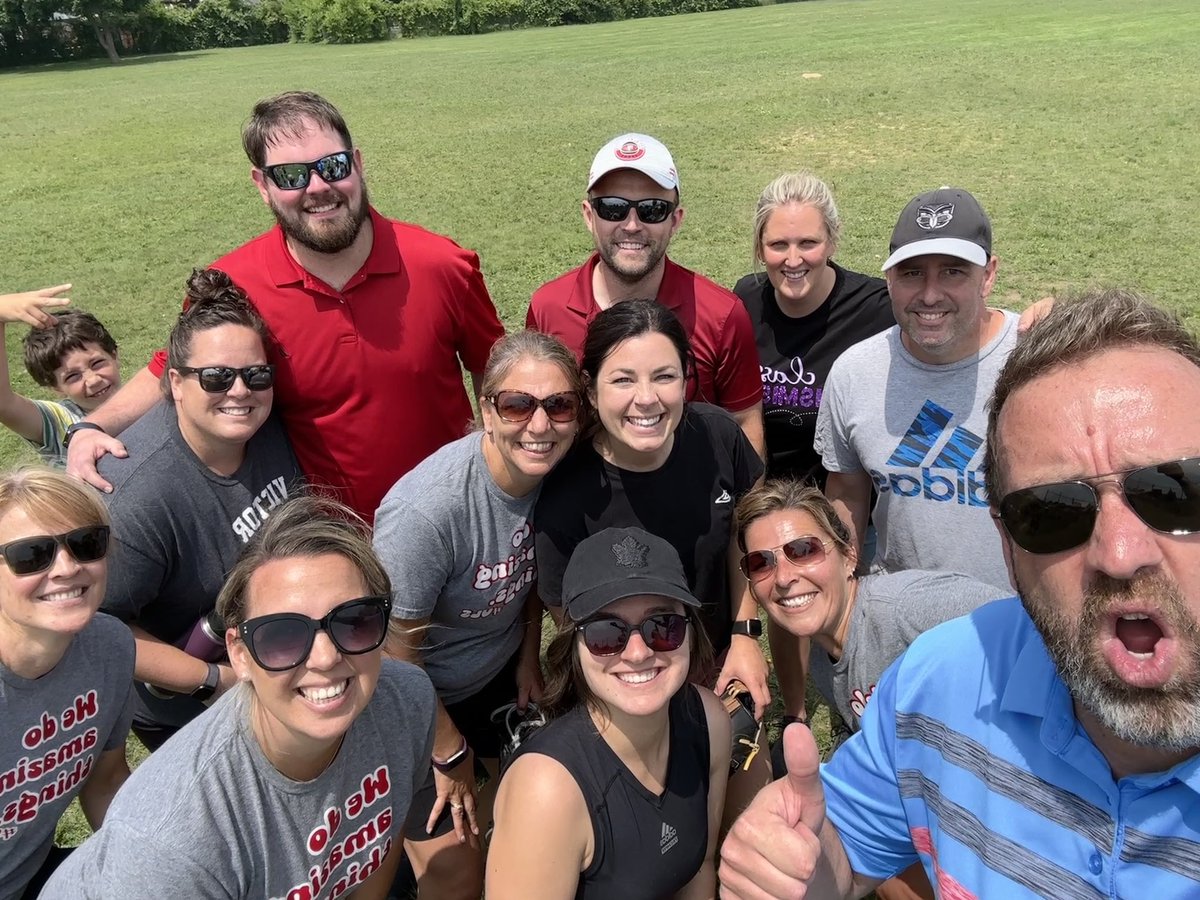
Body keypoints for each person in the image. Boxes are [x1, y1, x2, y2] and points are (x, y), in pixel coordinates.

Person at [720, 289, 1200, 899]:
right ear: (1007, 539)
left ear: (848, 553)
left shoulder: (928, 618)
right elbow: (841, 853)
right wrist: (799, 868)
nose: (1121, 552)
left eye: (1174, 494)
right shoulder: (936, 682)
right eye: (1053, 512)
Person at [65, 91, 505, 522]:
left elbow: (494, 374)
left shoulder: (444, 265)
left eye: (333, 166)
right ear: (263, 185)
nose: (318, 188)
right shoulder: (232, 286)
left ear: (358, 163)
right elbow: (173, 370)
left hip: (452, 518)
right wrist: (92, 426)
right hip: (326, 542)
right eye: (291, 176)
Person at [42, 494, 437, 899]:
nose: (325, 657)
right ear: (239, 654)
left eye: (355, 621)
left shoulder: (405, 701)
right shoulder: (172, 840)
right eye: (282, 635)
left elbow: (377, 846)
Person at [534, 299, 769, 829]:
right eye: (622, 380)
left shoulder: (717, 436)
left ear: (688, 379)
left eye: (665, 376)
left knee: (750, 817)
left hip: (715, 661)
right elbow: (566, 616)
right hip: (627, 673)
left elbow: (744, 537)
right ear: (590, 389)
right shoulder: (567, 489)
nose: (647, 399)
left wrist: (747, 634)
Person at [373, 331, 583, 897]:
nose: (540, 425)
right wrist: (448, 749)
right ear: (485, 408)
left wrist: (526, 655)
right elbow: (391, 655)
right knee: (459, 872)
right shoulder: (426, 513)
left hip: (494, 678)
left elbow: (537, 563)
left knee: (530, 819)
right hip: (410, 704)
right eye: (518, 404)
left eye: (559, 405)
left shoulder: (553, 473)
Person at [735, 478, 1009, 900]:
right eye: (761, 563)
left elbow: (1026, 629)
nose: (784, 578)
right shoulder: (826, 657)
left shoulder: (907, 610)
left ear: (848, 555)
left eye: (803, 550)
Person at [96, 268, 302, 750]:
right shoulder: (138, 498)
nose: (239, 391)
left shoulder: (268, 428)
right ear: (176, 383)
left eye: (256, 374)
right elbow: (99, 624)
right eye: (215, 377)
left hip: (272, 663)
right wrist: (214, 680)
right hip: (188, 708)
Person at [487, 526, 731, 899]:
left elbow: (701, 870)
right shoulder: (546, 792)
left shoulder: (708, 720)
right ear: (575, 647)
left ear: (691, 632)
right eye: (606, 632)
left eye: (662, 626)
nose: (637, 653)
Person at [815, 186, 1015, 591]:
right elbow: (847, 492)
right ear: (889, 279)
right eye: (912, 273)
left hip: (1021, 623)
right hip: (903, 622)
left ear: (988, 275)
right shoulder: (854, 373)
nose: (929, 294)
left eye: (953, 271)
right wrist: (845, 585)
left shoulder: (1037, 360)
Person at [527, 132, 765, 457]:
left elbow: (745, 423)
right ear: (588, 216)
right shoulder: (548, 308)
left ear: (675, 220)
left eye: (652, 209)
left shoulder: (721, 315)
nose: (632, 225)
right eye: (613, 208)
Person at [0, 468, 133, 900]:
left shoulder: (109, 648)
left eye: (86, 544)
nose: (67, 568)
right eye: (31, 554)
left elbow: (105, 781)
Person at [733, 173, 893, 484]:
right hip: (766, 502)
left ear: (832, 241)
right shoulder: (746, 300)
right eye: (778, 245)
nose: (793, 260)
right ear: (759, 248)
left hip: (846, 501)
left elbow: (944, 316)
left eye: (808, 243)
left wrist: (1016, 322)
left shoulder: (877, 309)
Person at [0, 286, 121, 466]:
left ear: (114, 355)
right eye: (72, 376)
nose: (93, 380)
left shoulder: (147, 397)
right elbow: (3, 402)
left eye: (97, 363)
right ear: (55, 387)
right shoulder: (59, 422)